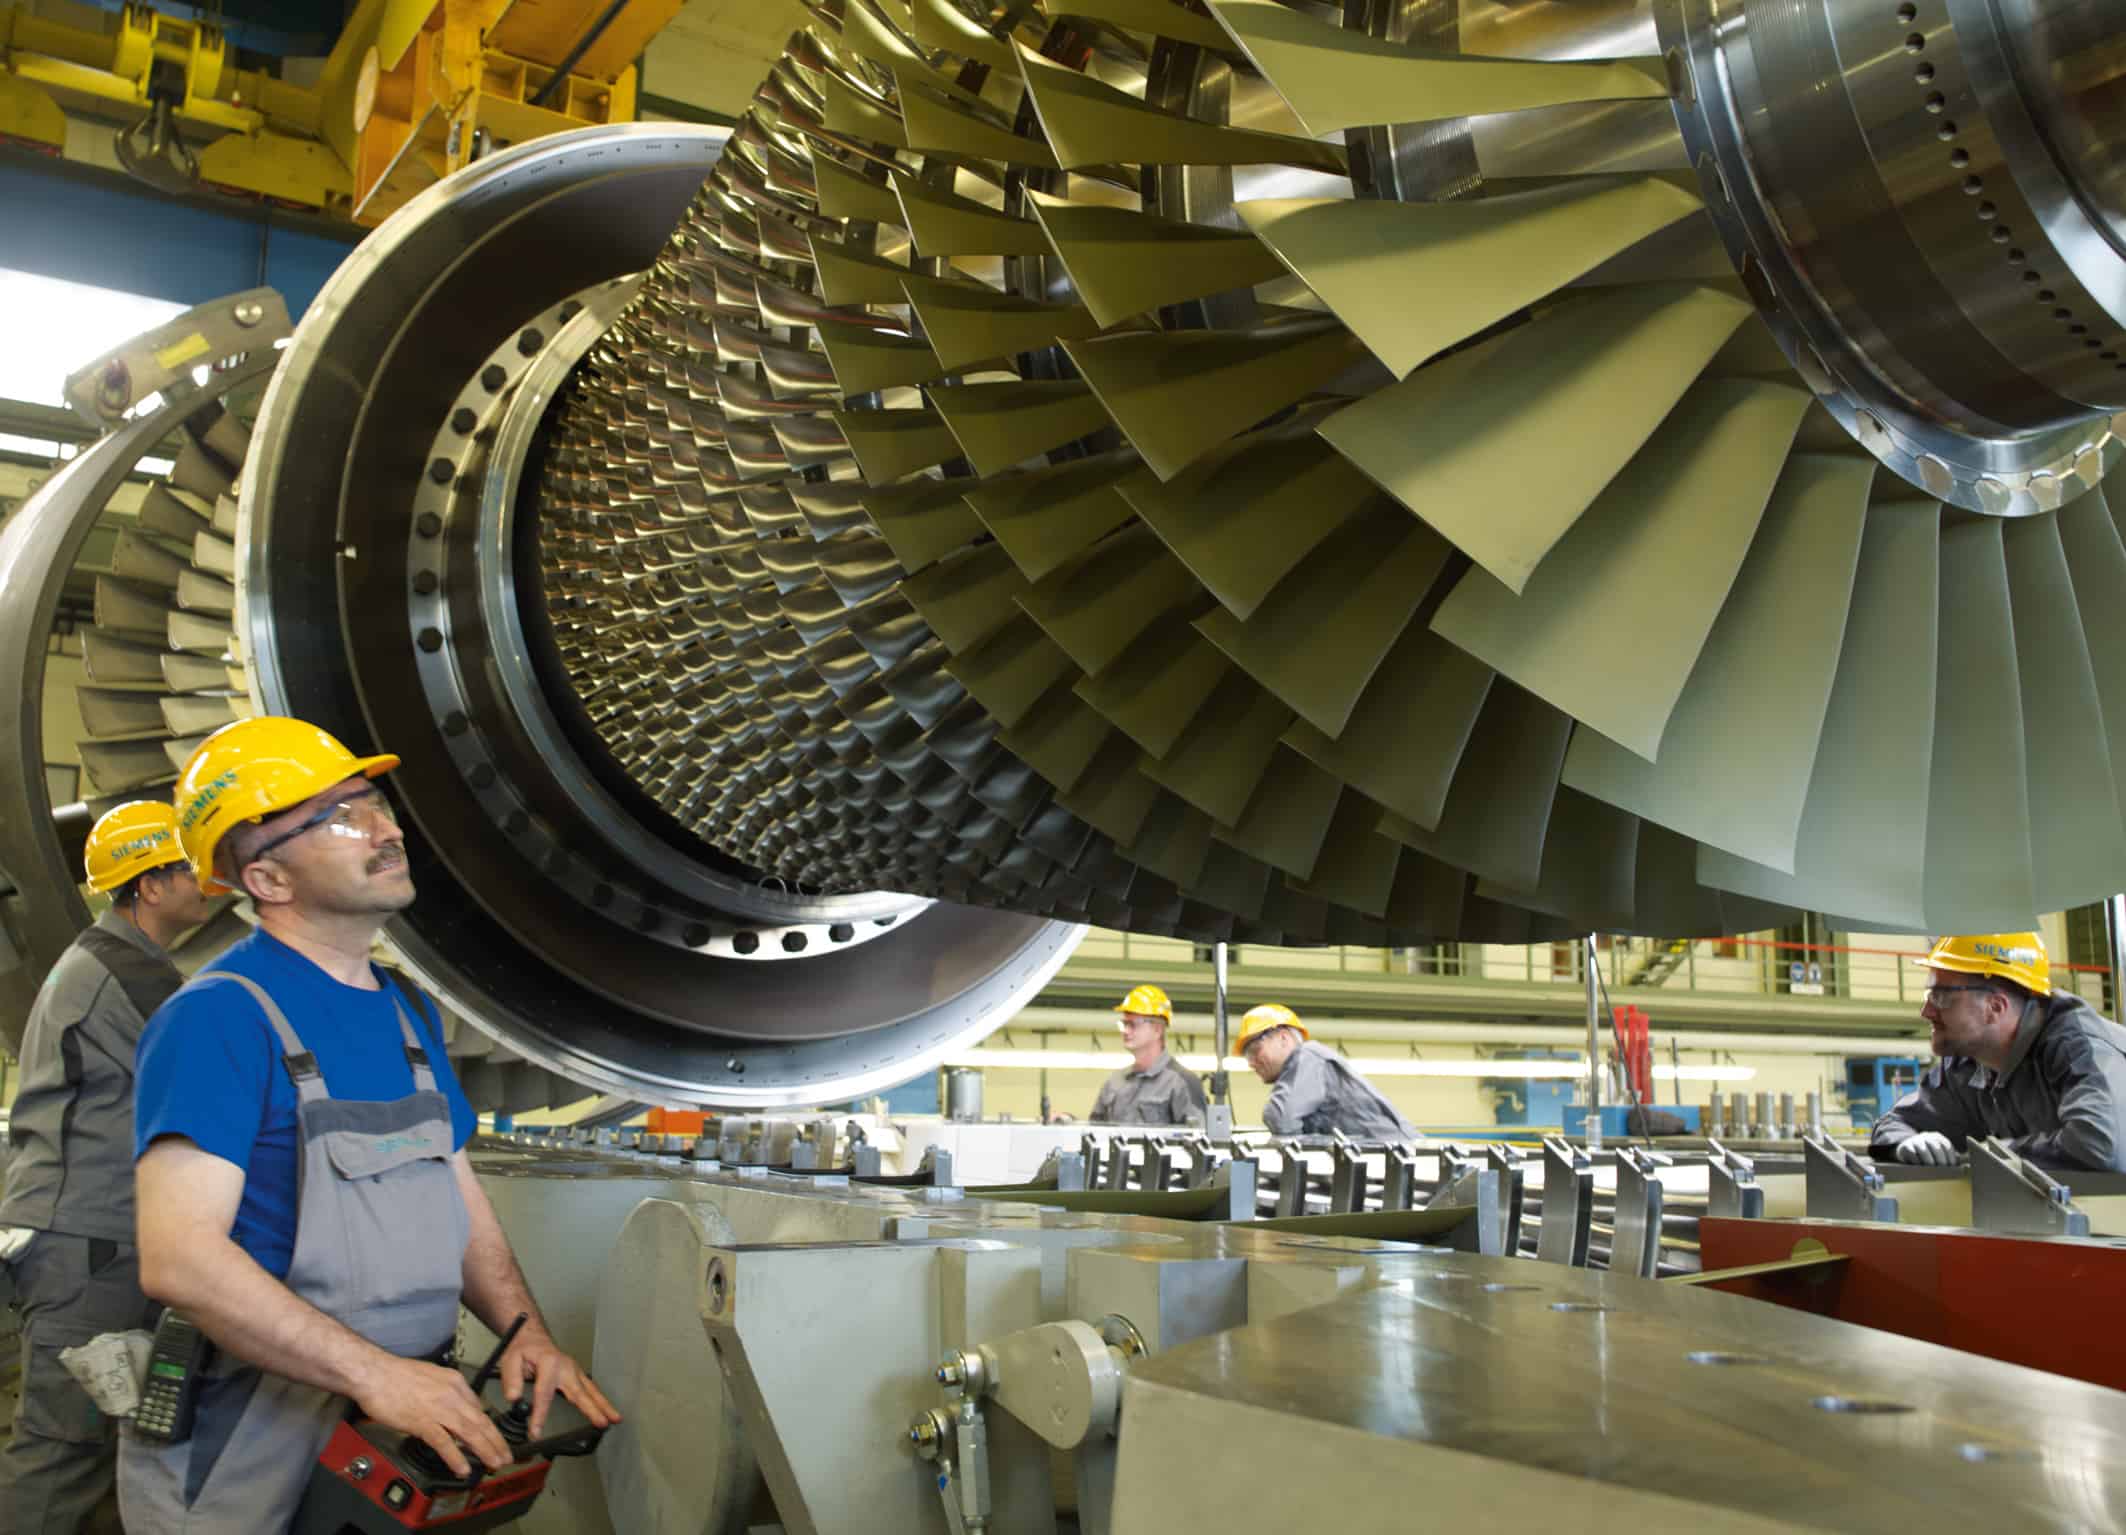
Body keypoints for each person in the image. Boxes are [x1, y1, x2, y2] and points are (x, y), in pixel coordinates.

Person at [116, 717, 618, 1533]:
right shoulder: (218, 1018)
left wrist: (524, 1333)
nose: (386, 829)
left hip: (399, 1415)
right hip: (256, 1430)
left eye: (375, 801)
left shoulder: (408, 1012)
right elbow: (180, 1259)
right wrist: (375, 1373)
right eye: (342, 816)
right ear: (268, 877)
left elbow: (458, 1201)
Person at [0, 802, 215, 1533]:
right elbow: (220, 1077)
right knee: (63, 1450)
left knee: (103, 1445)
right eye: (189, 866)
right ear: (147, 887)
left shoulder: (118, 960)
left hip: (93, 1238)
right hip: (84, 1245)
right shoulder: (125, 971)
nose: (206, 878)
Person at [1870, 932, 2126, 1173]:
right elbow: (1893, 1124)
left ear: (1995, 1006)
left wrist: (1988, 1155)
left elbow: (2099, 1144)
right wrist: (1904, 1144)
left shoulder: (2077, 1047)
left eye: (1940, 997)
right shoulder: (1965, 1066)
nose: (1926, 1011)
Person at [1236, 1003, 1418, 1141]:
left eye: (1254, 1051)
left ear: (1283, 1038)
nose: (1252, 1063)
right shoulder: (1302, 1073)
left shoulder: (1308, 1055)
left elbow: (1280, 1118)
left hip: (1411, 1164)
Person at [1088, 984, 1207, 1125]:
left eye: (1132, 1024)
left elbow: (1199, 1140)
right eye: (1124, 1024)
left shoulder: (1182, 1083)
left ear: (1157, 1030)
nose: (1125, 1031)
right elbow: (1093, 1131)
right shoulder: (1114, 1082)